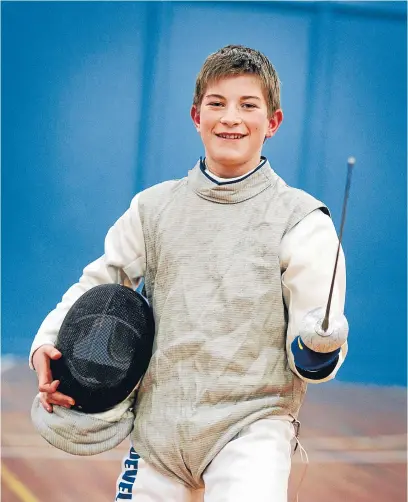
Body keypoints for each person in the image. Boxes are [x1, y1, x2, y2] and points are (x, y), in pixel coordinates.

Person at [29, 45, 348, 502]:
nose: (230, 118)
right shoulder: (154, 207)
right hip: (160, 423)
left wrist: (318, 348)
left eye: (248, 105)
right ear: (196, 115)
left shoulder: (301, 220)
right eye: (216, 104)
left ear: (273, 123)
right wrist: (49, 343)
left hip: (251, 425)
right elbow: (100, 283)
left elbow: (315, 333)